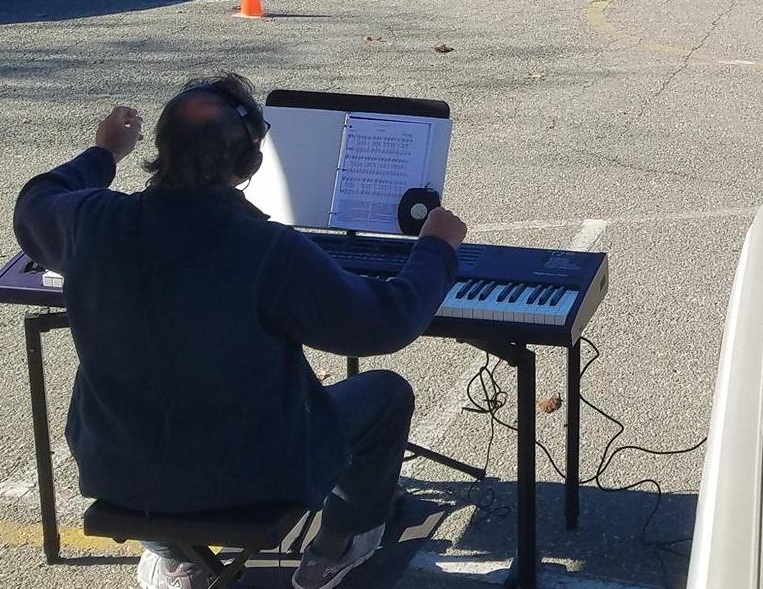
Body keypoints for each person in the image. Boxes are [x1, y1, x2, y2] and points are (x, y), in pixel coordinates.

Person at [13, 75, 469, 589]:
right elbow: (385, 322)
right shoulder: (267, 249)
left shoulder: (89, 221)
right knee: (385, 394)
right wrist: (436, 250)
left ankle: (175, 556)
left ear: (161, 150)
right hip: (252, 477)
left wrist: (105, 153)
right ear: (249, 162)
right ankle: (338, 545)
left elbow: (34, 202)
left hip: (116, 468)